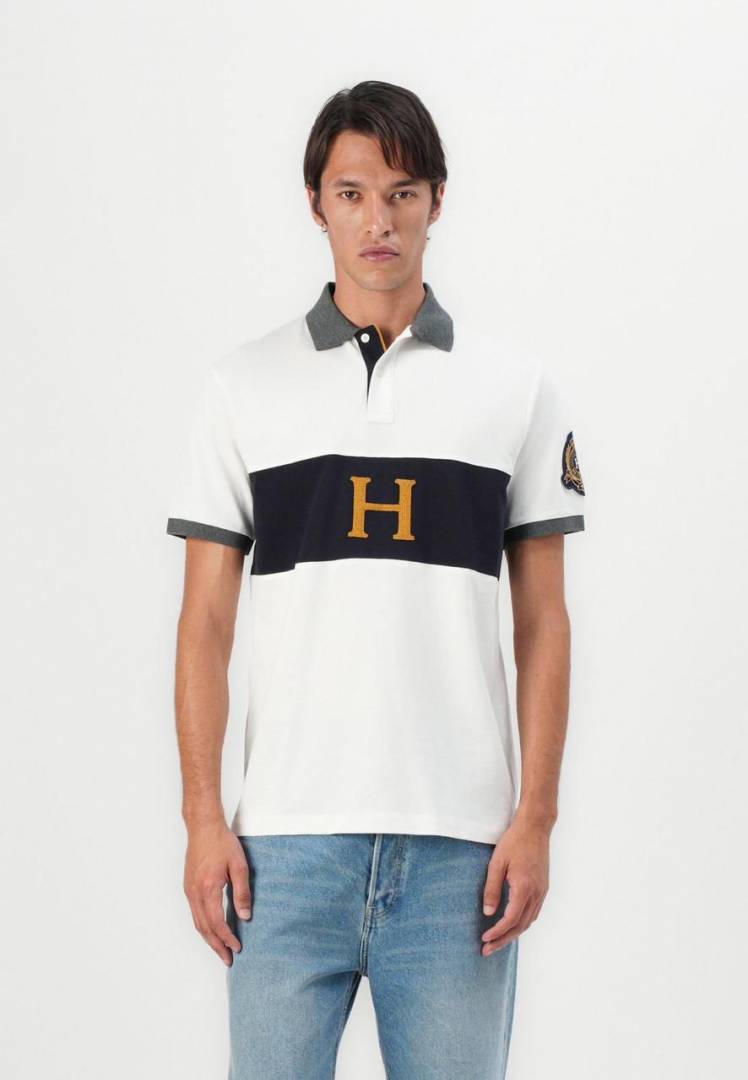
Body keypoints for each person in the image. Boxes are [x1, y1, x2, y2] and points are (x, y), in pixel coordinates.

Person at [165, 79, 586, 1080]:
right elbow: (204, 625)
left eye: (401, 194)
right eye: (352, 194)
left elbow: (543, 623)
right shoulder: (242, 387)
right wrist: (202, 819)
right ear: (316, 205)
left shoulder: (515, 389)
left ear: (437, 201)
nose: (378, 221)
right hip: (281, 855)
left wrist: (535, 819)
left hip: (460, 857)